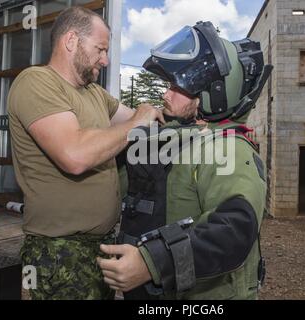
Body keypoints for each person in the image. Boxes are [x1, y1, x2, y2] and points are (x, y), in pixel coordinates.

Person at [97, 21, 273, 300]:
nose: (165, 94)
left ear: (210, 94)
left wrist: (151, 263)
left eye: (177, 87)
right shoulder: (171, 139)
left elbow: (233, 229)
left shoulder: (229, 149)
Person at [7, 7, 164, 300]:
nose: (105, 60)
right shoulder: (36, 82)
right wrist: (138, 122)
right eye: (100, 49)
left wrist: (173, 117)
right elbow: (75, 155)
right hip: (56, 253)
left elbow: (142, 123)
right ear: (71, 41)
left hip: (100, 248)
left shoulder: (94, 93)